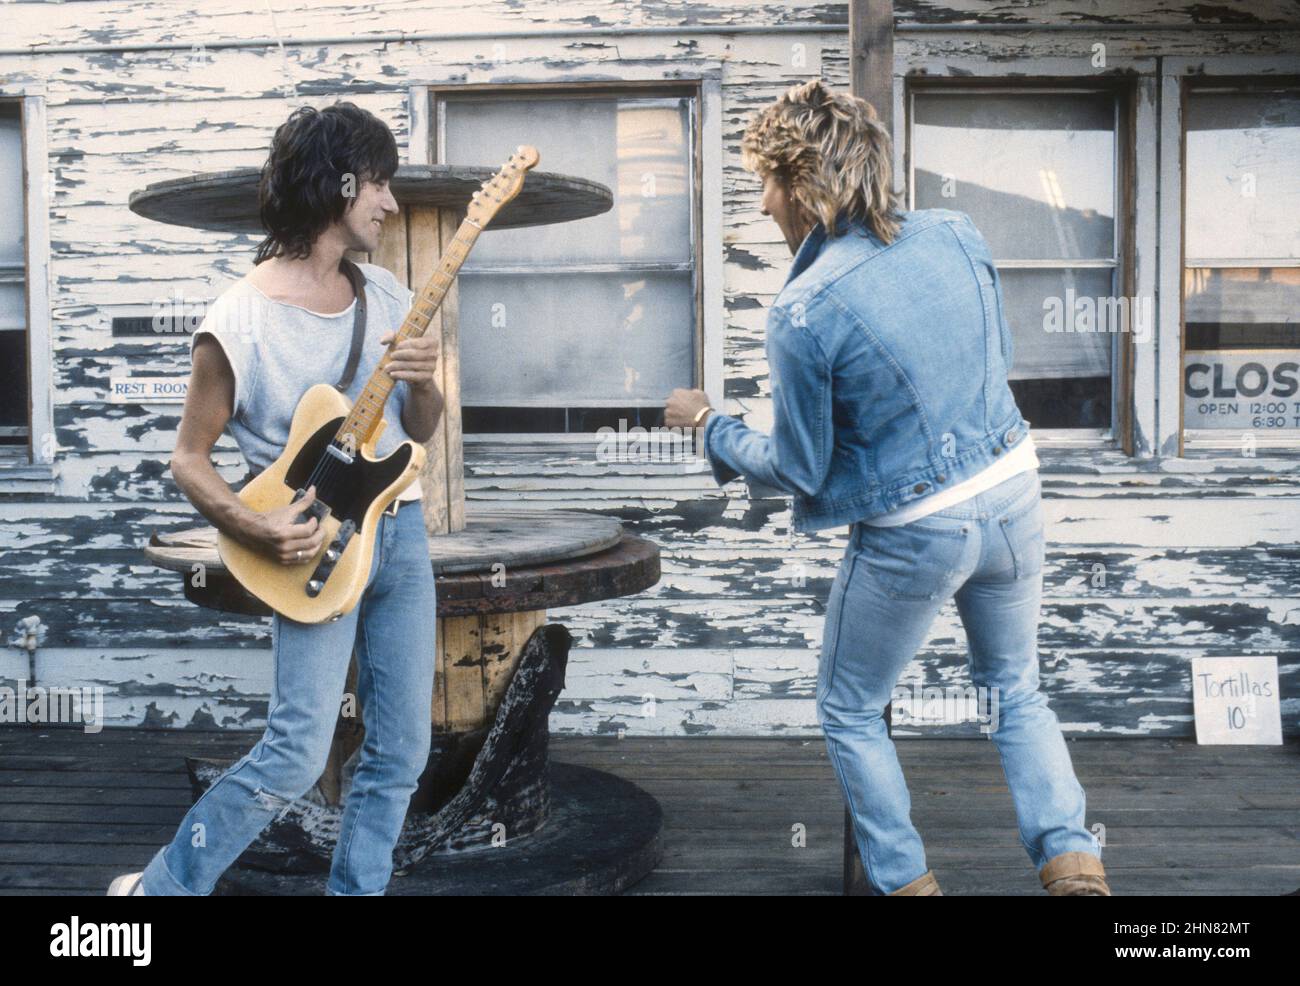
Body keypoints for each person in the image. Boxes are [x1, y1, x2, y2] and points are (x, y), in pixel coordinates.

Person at [664, 79, 1110, 896]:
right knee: (1017, 690)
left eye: (766, 180)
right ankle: (1074, 866)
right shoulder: (956, 232)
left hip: (916, 530)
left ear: (804, 183)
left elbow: (800, 468)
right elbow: (992, 363)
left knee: (850, 710)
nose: (761, 203)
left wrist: (709, 427)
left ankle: (908, 885)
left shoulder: (802, 312)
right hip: (1013, 490)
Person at [108, 101, 443, 896]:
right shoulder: (238, 320)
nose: (391, 205)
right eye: (382, 186)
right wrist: (255, 525)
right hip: (315, 551)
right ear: (341, 184)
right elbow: (188, 460)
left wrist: (429, 384)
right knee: (295, 752)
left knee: (401, 749)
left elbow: (418, 430)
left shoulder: (390, 295)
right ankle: (159, 891)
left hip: (401, 537)